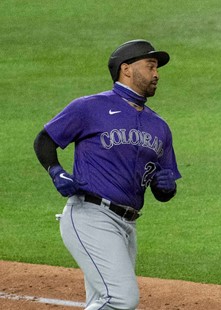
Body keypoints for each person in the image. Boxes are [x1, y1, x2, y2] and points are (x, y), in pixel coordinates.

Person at [33, 39, 181, 309]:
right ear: (126, 69)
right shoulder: (89, 107)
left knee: (103, 300)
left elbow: (163, 189)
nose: (156, 74)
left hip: (128, 225)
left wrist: (166, 187)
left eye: (157, 68)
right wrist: (56, 171)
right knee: (122, 299)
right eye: (150, 66)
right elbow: (45, 139)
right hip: (91, 216)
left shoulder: (159, 126)